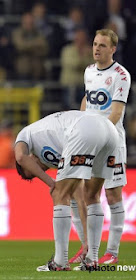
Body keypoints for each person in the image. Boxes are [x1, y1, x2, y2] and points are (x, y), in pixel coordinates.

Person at [14, 111, 118, 271]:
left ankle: (60, 262)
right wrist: (85, 241)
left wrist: (51, 183)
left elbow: (20, 157)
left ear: (31, 157)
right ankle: (92, 260)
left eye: (33, 169)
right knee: (91, 195)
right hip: (110, 131)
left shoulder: (26, 134)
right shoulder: (58, 155)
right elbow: (79, 197)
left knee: (59, 194)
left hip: (86, 129)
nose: (40, 170)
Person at [76, 28, 131, 265]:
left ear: (113, 49)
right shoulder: (89, 71)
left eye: (102, 45)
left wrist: (98, 136)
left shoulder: (121, 75)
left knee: (113, 194)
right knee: (89, 194)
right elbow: (87, 99)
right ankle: (91, 250)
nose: (96, 48)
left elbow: (116, 112)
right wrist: (79, 125)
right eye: (95, 44)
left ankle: (113, 252)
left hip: (111, 144)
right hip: (91, 142)